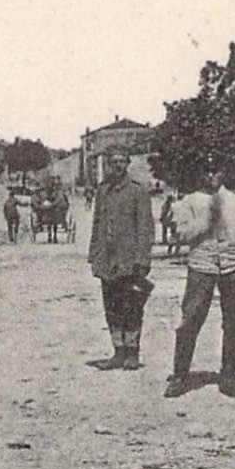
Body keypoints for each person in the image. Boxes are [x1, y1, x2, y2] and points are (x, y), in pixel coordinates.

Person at [167, 159, 235, 399]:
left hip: (233, 266)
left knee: (233, 322)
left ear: (224, 172)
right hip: (202, 265)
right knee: (191, 319)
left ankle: (228, 376)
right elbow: (182, 235)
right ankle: (180, 376)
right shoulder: (189, 201)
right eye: (206, 171)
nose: (211, 175)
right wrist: (206, 220)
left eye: (215, 170)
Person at [88, 151, 156, 370]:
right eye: (113, 163)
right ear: (108, 165)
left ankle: (132, 352)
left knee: (132, 306)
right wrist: (94, 254)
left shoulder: (138, 191)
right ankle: (118, 351)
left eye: (121, 162)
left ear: (127, 164)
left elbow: (146, 228)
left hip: (129, 260)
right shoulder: (103, 191)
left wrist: (143, 259)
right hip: (107, 260)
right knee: (112, 307)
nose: (117, 166)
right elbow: (97, 224)